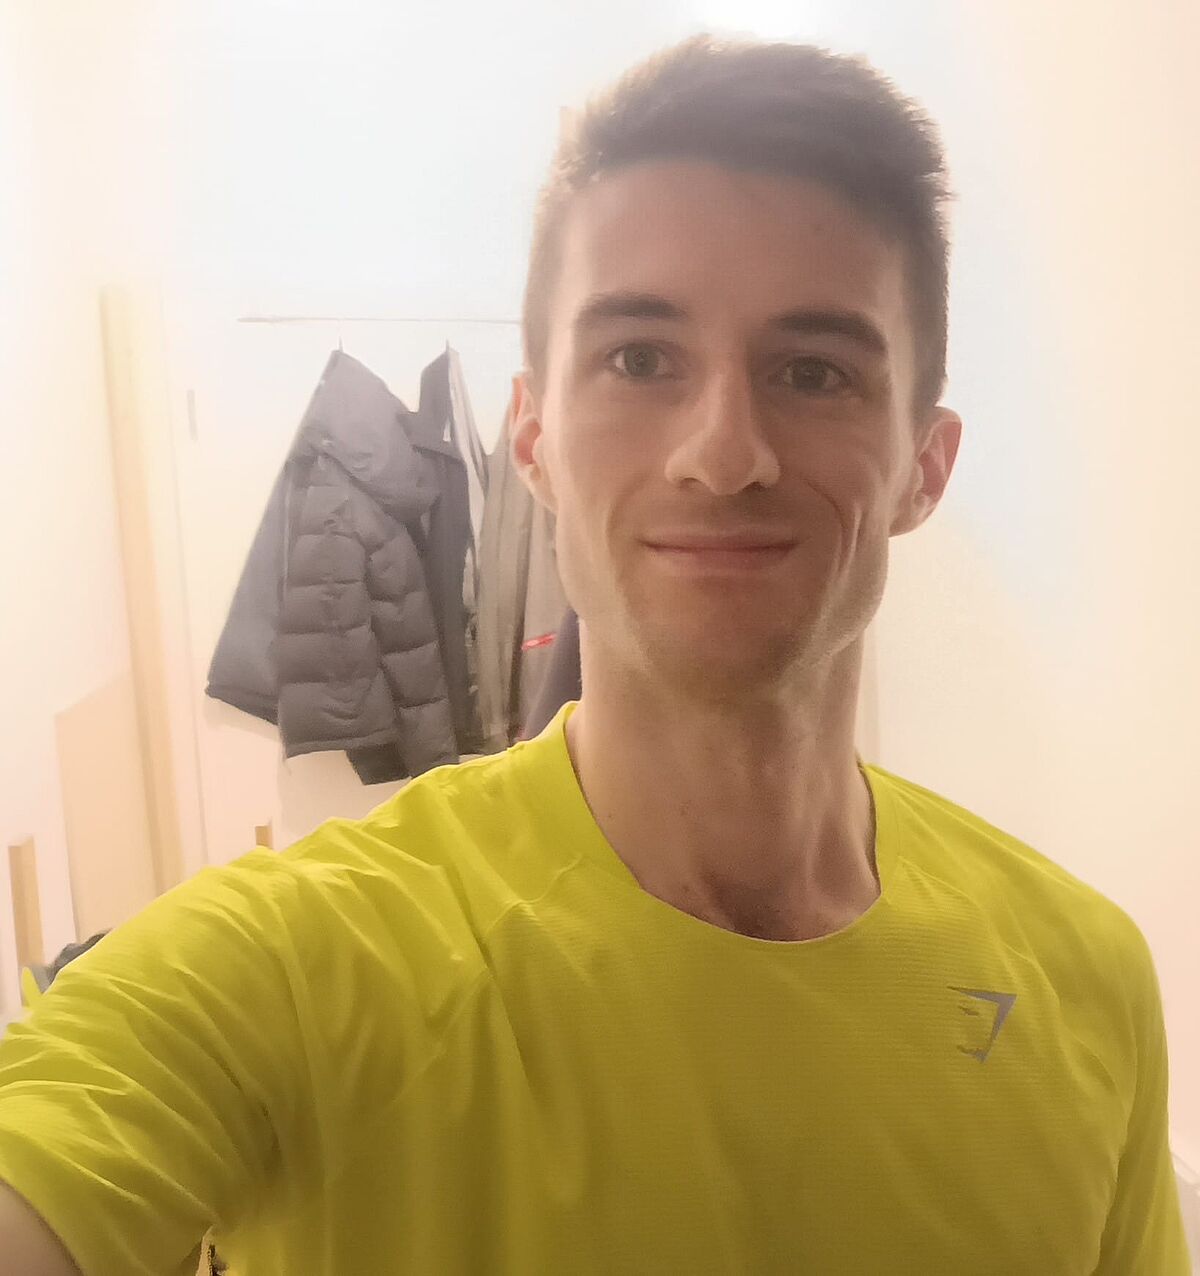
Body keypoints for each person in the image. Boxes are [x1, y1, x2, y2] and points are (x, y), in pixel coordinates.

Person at [0, 34, 1190, 1276]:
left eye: (812, 371)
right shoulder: (294, 968)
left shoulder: (1085, 980)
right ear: (533, 439)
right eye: (639, 359)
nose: (722, 453)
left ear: (924, 469)